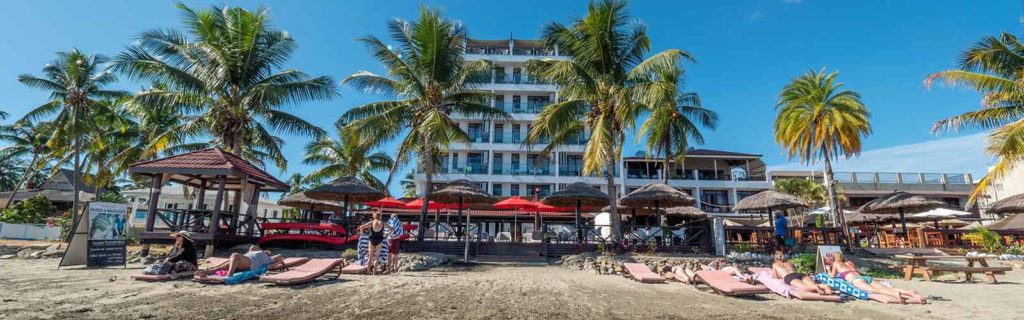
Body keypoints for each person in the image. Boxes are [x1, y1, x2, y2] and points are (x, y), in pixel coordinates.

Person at [828, 252, 926, 304]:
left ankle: (895, 294)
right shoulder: (849, 262)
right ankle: (910, 293)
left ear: (835, 258)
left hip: (856, 280)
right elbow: (856, 271)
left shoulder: (836, 263)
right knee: (885, 288)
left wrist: (829, 269)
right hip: (864, 277)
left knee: (875, 290)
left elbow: (832, 276)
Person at [195, 245, 283, 279]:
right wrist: (264, 251)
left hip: (252, 262)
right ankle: (206, 272)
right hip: (245, 258)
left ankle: (229, 274)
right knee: (227, 264)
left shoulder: (269, 259)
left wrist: (277, 262)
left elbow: (279, 257)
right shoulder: (260, 252)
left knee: (235, 255)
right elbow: (253, 247)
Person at [357, 210, 392, 275]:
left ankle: (368, 272)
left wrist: (362, 234)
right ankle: (374, 272)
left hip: (371, 240)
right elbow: (392, 229)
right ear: (380, 217)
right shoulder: (383, 223)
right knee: (377, 257)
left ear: (374, 216)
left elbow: (361, 227)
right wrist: (387, 234)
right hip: (379, 240)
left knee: (370, 257)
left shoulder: (371, 222)